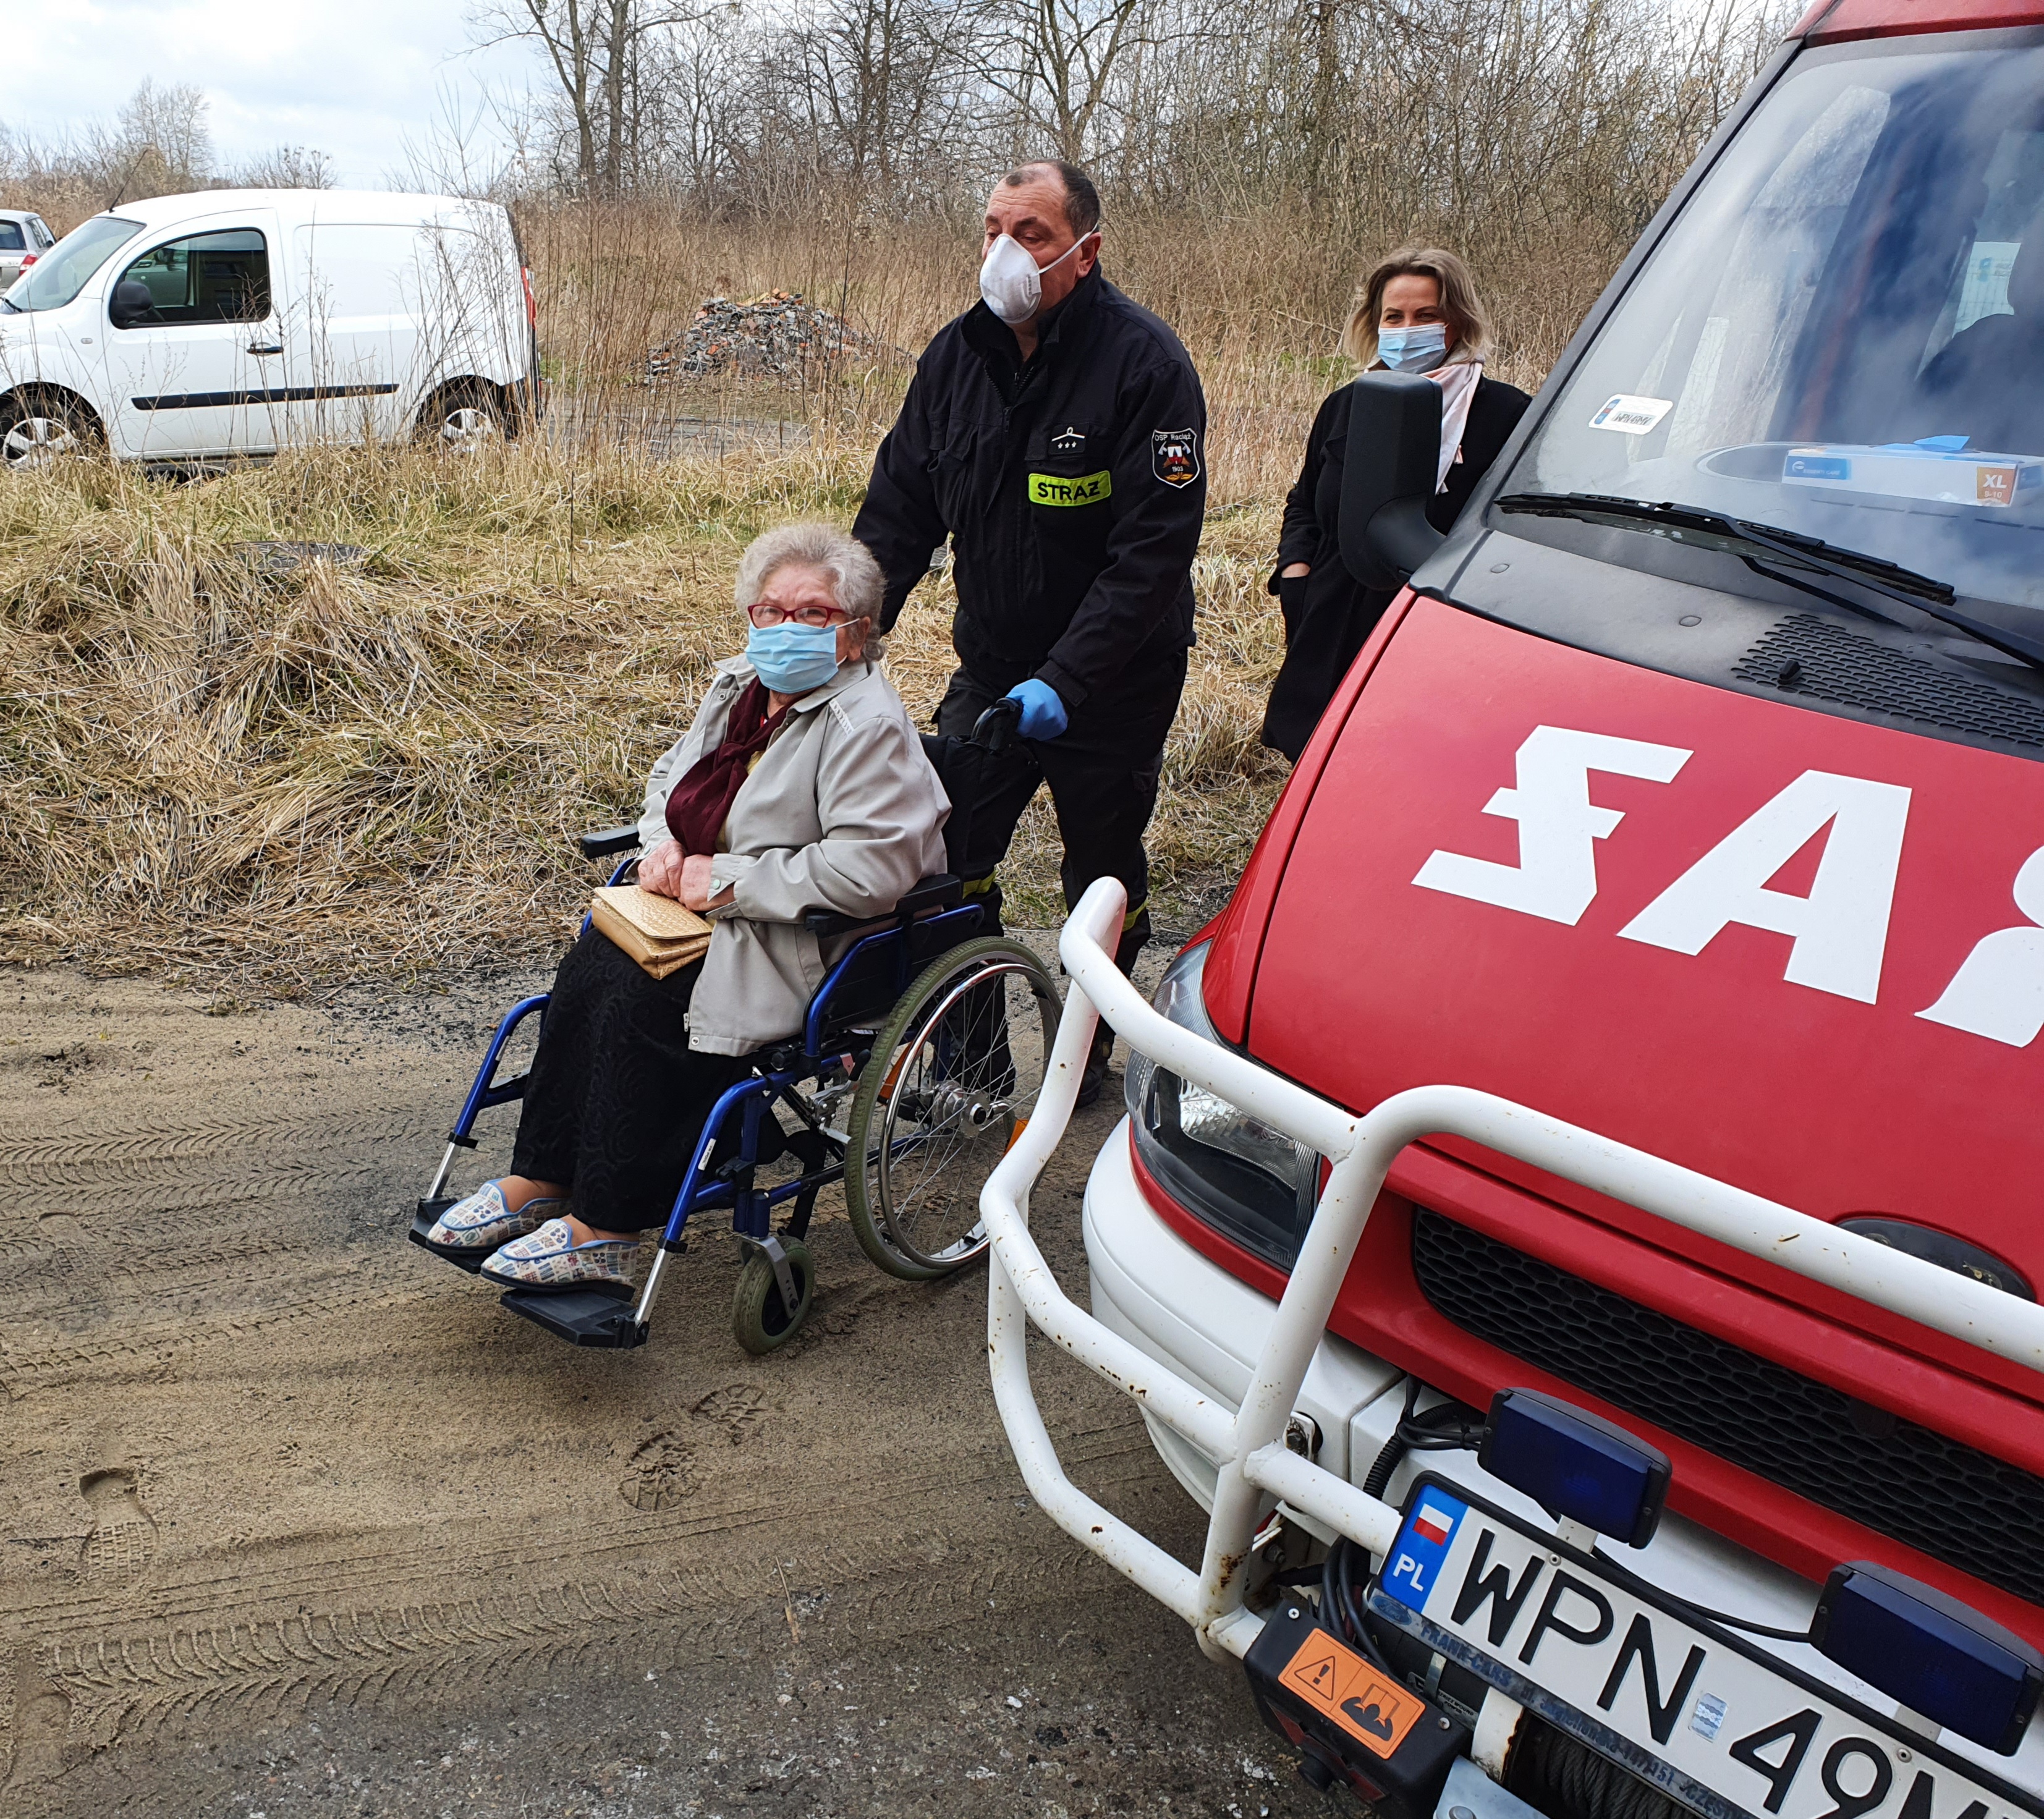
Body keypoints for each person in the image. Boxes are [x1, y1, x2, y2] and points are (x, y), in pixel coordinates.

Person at [426, 524, 949, 1292]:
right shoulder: (741, 687)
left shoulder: (864, 726)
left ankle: (606, 1228)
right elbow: (670, 778)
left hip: (798, 935)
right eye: (769, 611)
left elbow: (872, 870)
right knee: (589, 972)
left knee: (647, 1004)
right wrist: (663, 844)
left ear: (854, 634)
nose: (784, 628)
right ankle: (543, 1177)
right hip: (699, 909)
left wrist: (726, 881)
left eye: (812, 613)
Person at [852, 158, 1206, 1106]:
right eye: (992, 229)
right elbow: (898, 510)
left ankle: (1082, 1055)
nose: (1003, 251)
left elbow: (1150, 555)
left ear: (1084, 252)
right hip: (993, 666)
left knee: (1101, 871)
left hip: (1113, 679)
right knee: (942, 852)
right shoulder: (953, 358)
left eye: (1031, 233)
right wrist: (848, 626)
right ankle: (970, 1067)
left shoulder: (1146, 366)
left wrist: (1067, 678)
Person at [1260, 247, 1530, 761]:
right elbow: (1304, 501)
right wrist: (1295, 575)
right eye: (1394, 317)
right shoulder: (1346, 405)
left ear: (1456, 321)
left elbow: (1515, 529)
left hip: (1437, 636)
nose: (1408, 330)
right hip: (1331, 625)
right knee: (1319, 765)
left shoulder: (1506, 414)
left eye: (1425, 316)